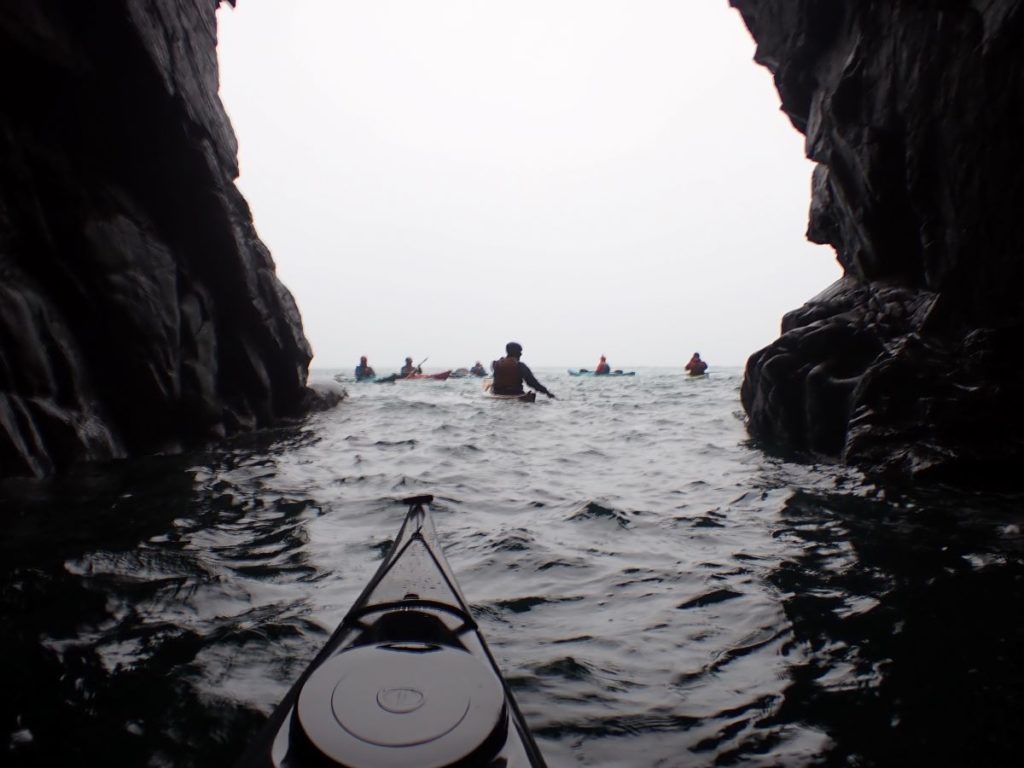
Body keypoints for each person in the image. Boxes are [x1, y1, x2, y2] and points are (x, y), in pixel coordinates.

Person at [491, 342, 555, 398]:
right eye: (519, 351)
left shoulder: (496, 363)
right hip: (516, 393)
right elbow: (532, 383)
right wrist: (547, 392)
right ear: (515, 352)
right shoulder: (520, 365)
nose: (521, 354)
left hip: (497, 393)